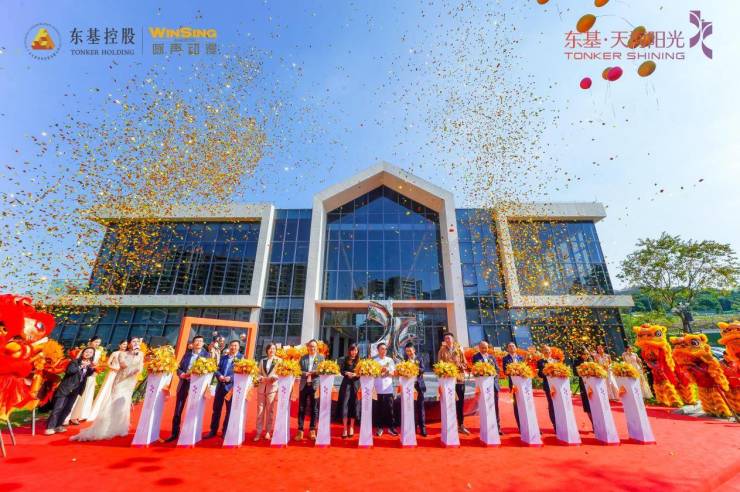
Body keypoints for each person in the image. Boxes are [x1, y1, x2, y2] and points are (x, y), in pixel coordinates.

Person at [71, 338, 144, 441]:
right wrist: (134, 357)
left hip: (130, 382)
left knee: (124, 404)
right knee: (114, 403)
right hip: (120, 381)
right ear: (129, 344)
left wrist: (137, 364)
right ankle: (106, 428)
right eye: (134, 341)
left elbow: (140, 368)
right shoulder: (122, 354)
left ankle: (120, 427)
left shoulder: (141, 354)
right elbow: (123, 366)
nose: (136, 343)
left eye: (137, 341)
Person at [163, 335, 210, 443]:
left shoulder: (207, 355)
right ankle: (175, 433)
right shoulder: (187, 354)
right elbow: (178, 368)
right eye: (197, 341)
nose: (198, 342)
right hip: (184, 383)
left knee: (194, 408)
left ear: (203, 344)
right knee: (178, 409)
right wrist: (182, 374)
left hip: (197, 385)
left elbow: (210, 370)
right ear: (192, 343)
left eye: (201, 341)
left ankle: (191, 433)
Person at [45, 347, 97, 435]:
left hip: (76, 389)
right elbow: (69, 371)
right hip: (66, 388)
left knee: (67, 409)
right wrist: (81, 366)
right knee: (58, 408)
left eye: (90, 352)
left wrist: (92, 368)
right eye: (86, 351)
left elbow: (87, 375)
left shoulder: (89, 364)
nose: (88, 353)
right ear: (83, 352)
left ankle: (58, 426)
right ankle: (50, 427)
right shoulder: (75, 362)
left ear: (92, 355)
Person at [205, 340, 243, 439]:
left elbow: (242, 372)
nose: (233, 347)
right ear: (229, 346)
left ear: (239, 347)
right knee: (216, 409)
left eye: (235, 345)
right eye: (232, 345)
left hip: (231, 388)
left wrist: (231, 378)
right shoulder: (223, 357)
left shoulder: (242, 358)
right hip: (220, 386)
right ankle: (213, 430)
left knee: (229, 411)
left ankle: (225, 431)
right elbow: (216, 369)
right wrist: (219, 376)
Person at [437, 331, 470, 434]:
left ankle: (461, 425)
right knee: (449, 403)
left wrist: (461, 365)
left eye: (449, 338)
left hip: (459, 380)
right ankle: (450, 426)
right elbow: (439, 365)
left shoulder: (459, 349)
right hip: (447, 381)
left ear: (453, 339)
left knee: (460, 403)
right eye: (446, 338)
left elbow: (465, 364)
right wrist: (444, 370)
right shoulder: (441, 350)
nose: (447, 340)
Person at [88, 339, 128, 421]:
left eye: (126, 344)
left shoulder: (127, 354)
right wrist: (115, 368)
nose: (125, 346)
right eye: (123, 344)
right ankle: (99, 411)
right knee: (107, 390)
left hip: (121, 375)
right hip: (113, 374)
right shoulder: (115, 353)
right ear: (119, 345)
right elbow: (108, 363)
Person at [68, 336, 104, 425]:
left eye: (99, 342)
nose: (97, 344)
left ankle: (79, 415)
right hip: (81, 375)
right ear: (91, 341)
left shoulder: (99, 352)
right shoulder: (84, 350)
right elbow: (77, 361)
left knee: (86, 396)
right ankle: (68, 416)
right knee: (77, 395)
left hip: (91, 376)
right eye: (96, 342)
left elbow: (98, 364)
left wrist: (96, 369)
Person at [471, 340, 503, 435]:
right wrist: (484, 373)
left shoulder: (492, 357)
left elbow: (497, 369)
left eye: (486, 348)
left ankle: (497, 427)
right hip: (483, 387)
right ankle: (486, 426)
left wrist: (493, 373)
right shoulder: (476, 357)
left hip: (493, 385)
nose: (484, 349)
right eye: (482, 348)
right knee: (484, 406)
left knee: (495, 407)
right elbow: (475, 370)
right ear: (479, 348)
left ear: (488, 348)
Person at [296, 339, 324, 441]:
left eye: (314, 346)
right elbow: (298, 370)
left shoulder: (321, 358)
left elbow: (322, 370)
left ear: (317, 347)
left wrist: (314, 372)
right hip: (304, 385)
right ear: (308, 347)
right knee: (301, 408)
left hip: (314, 386)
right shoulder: (303, 357)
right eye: (311, 346)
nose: (312, 348)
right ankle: (300, 430)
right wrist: (305, 373)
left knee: (314, 408)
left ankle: (312, 430)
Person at [254, 343, 281, 441]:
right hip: (262, 388)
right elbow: (258, 373)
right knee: (260, 411)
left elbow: (281, 373)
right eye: (270, 349)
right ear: (267, 350)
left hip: (272, 388)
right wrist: (261, 378)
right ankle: (258, 432)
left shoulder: (279, 361)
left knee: (270, 411)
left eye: (273, 348)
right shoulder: (262, 361)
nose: (271, 350)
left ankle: (268, 432)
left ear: (276, 350)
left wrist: (275, 377)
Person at [336, 342, 360, 438]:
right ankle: (345, 428)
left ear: (357, 351)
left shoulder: (360, 361)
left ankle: (351, 427)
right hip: (346, 384)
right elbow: (341, 370)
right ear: (349, 350)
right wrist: (346, 373)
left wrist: (356, 374)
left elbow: (362, 373)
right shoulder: (344, 359)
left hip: (356, 384)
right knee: (345, 405)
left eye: (355, 350)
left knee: (354, 404)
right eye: (352, 350)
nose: (354, 352)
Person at [373, 342, 397, 436]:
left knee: (390, 409)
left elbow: (394, 373)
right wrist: (380, 371)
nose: (384, 350)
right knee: (379, 410)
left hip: (388, 388)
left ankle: (391, 428)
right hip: (378, 389)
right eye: (382, 349)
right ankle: (379, 428)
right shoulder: (374, 361)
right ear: (378, 350)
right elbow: (372, 374)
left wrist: (387, 372)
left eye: (385, 349)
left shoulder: (390, 360)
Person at [403, 342, 427, 437]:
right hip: (409, 387)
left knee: (420, 408)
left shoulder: (419, 358)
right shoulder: (405, 360)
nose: (408, 353)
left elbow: (423, 369)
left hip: (418, 386)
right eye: (407, 351)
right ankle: (412, 427)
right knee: (410, 407)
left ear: (414, 350)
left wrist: (414, 367)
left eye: (410, 351)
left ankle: (422, 428)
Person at [502, 342, 524, 431]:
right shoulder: (505, 359)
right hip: (513, 384)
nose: (512, 348)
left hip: (522, 384)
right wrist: (513, 371)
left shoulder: (520, 358)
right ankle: (520, 425)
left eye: (513, 346)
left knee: (524, 403)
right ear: (507, 349)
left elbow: (525, 368)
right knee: (516, 405)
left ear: (516, 348)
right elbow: (505, 371)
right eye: (510, 347)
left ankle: (526, 423)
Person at [536, 345, 557, 431]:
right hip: (548, 385)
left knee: (559, 404)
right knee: (551, 404)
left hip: (558, 386)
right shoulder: (540, 362)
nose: (547, 352)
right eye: (545, 351)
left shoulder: (556, 361)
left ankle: (561, 421)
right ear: (542, 352)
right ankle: (555, 424)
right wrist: (547, 372)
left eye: (548, 350)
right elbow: (540, 374)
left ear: (551, 352)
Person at [572, 348, 593, 424]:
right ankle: (592, 422)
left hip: (593, 384)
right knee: (587, 404)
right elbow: (575, 373)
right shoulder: (577, 361)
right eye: (585, 354)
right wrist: (584, 371)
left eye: (587, 354)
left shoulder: (590, 359)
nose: (587, 355)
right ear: (581, 354)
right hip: (584, 384)